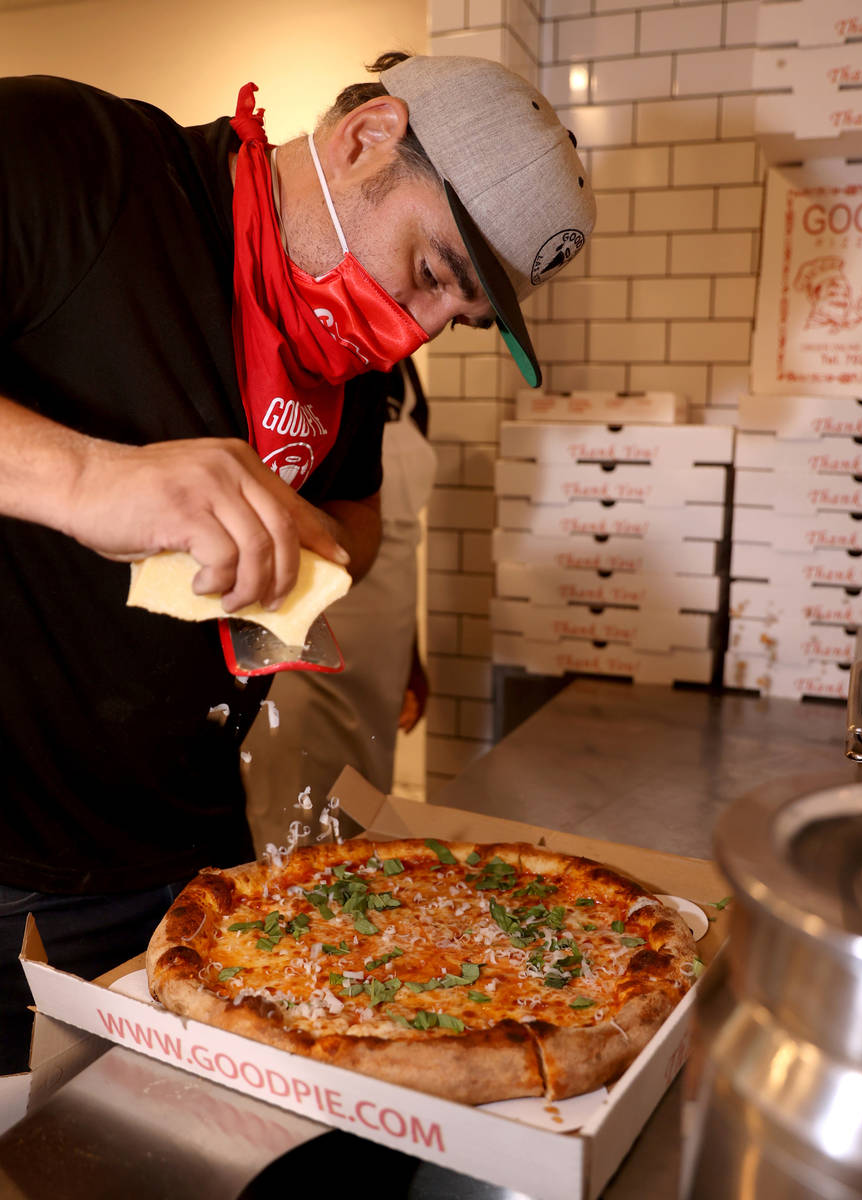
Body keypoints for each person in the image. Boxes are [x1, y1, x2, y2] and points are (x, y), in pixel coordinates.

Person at [0, 50, 595, 1075]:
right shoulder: (74, 162)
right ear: (368, 140)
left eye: (458, 320)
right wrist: (92, 481)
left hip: (188, 853)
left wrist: (307, 550)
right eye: (430, 272)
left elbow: (354, 513)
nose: (413, 330)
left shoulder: (347, 352)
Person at [243, 356, 433, 852]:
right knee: (297, 824)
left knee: (363, 818)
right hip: (310, 635)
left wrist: (409, 654)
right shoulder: (305, 363)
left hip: (381, 652)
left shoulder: (400, 375)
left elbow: (397, 536)